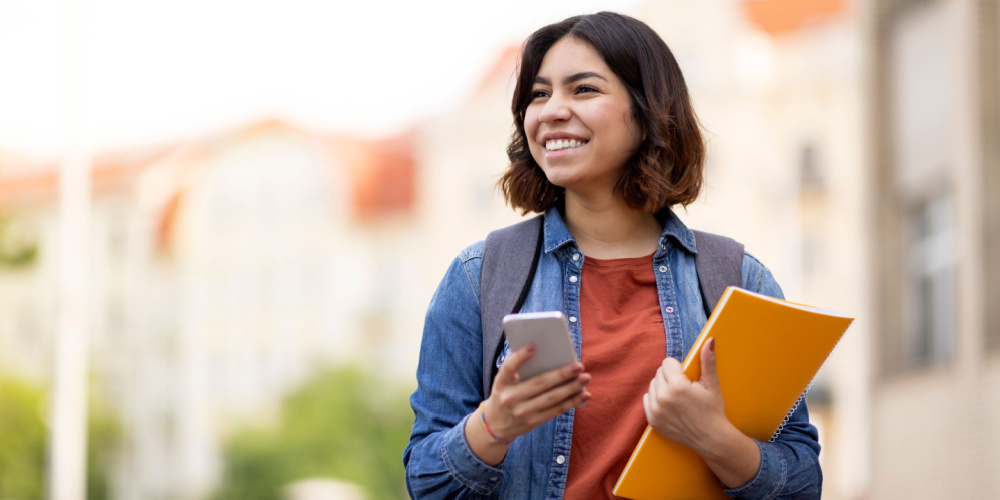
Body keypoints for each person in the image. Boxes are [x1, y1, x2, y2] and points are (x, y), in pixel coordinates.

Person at [403, 11, 822, 499]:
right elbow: (426, 484)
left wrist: (715, 439)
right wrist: (494, 424)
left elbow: (802, 485)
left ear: (647, 113)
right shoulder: (480, 277)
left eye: (583, 90)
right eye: (539, 94)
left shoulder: (738, 279)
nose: (552, 110)